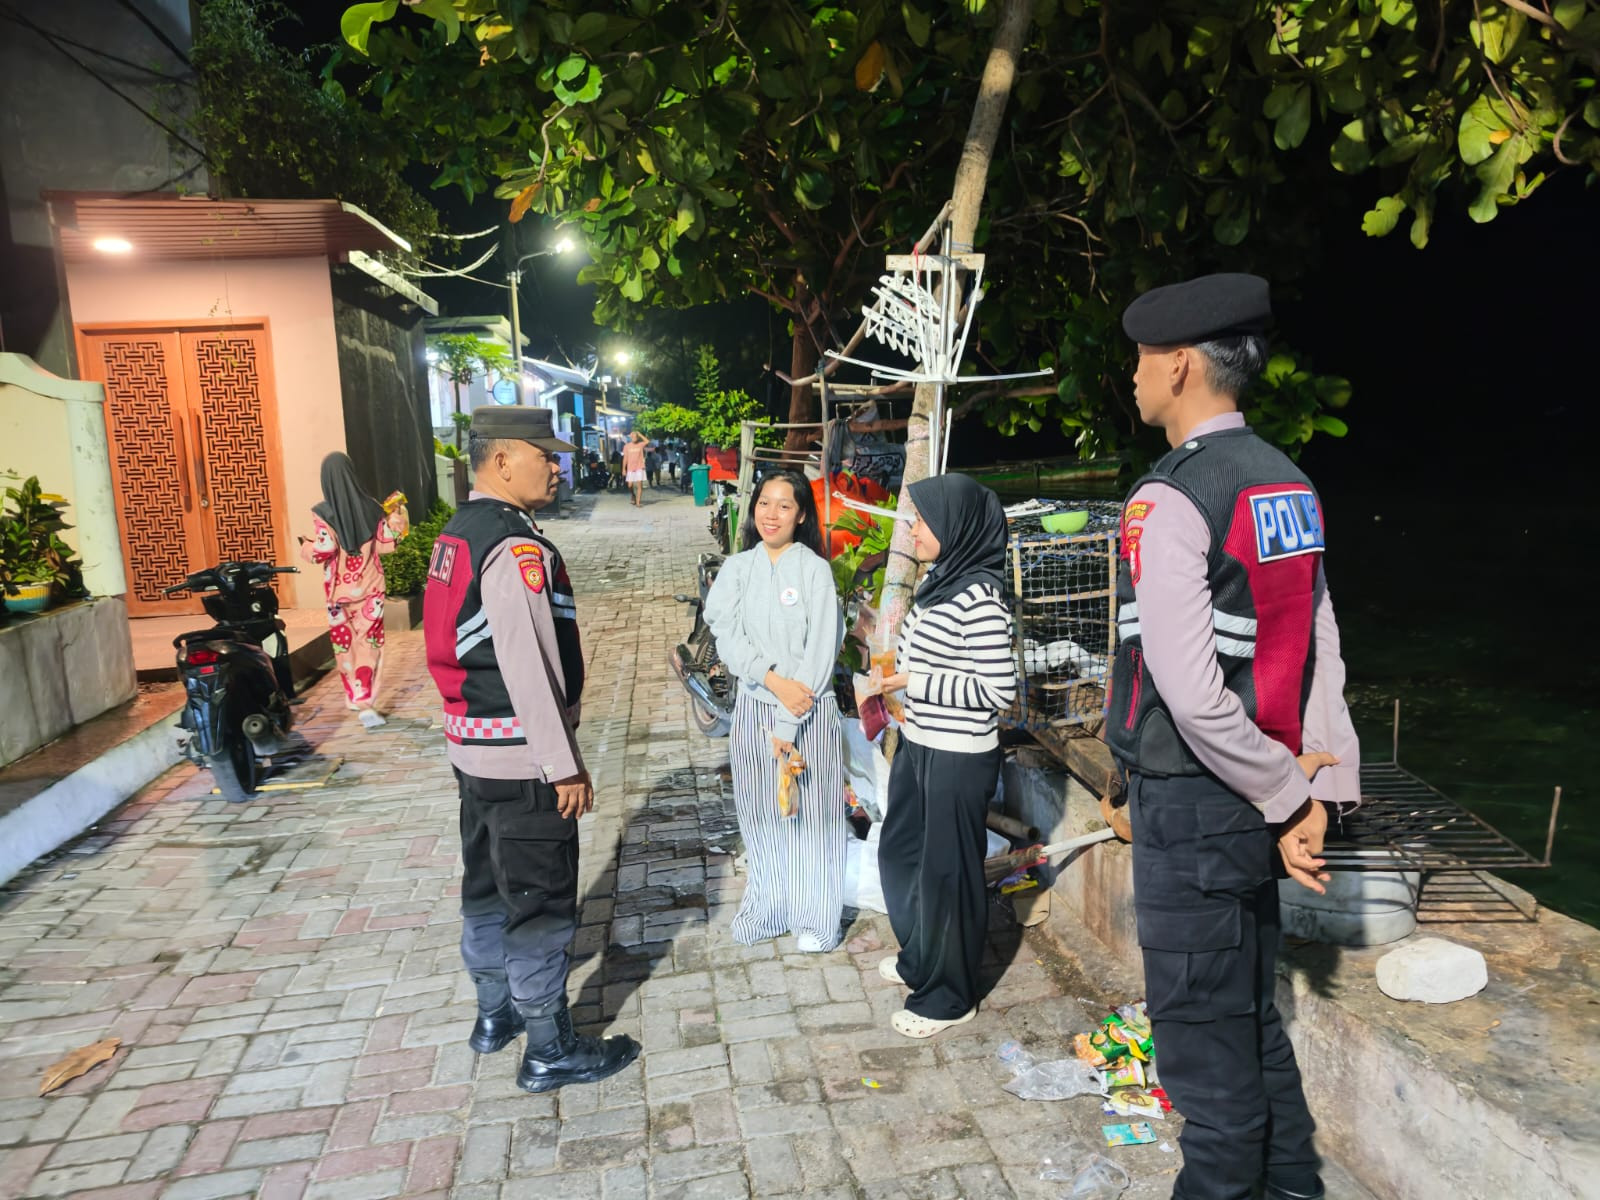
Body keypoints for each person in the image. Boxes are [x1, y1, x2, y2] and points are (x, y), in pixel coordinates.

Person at [1105, 273, 1360, 1200]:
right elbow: (1320, 647)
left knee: (1200, 1052)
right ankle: (1294, 1185)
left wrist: (1289, 797)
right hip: (1262, 795)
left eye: (1140, 358)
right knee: (1249, 1017)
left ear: (1178, 365)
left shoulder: (1170, 498)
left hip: (1199, 803)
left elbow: (1192, 693)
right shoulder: (1287, 481)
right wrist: (1314, 794)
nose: (1132, 375)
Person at [423, 405, 639, 1094]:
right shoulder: (515, 548)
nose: (556, 464)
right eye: (543, 454)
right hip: (522, 760)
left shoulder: (457, 532)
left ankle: (495, 1014)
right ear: (503, 459)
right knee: (540, 901)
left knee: (485, 885)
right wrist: (563, 764)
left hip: (471, 753)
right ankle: (548, 1045)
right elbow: (529, 665)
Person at [869, 474, 1017, 1039]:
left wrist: (916, 680)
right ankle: (921, 959)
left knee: (948, 875)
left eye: (924, 520)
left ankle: (951, 994)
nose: (912, 528)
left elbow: (998, 690)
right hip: (921, 743)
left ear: (957, 527)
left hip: (959, 754)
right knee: (904, 854)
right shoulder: (939, 583)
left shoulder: (979, 597)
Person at [702, 469, 846, 951]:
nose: (772, 513)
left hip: (809, 712)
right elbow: (726, 635)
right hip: (755, 709)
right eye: (765, 502)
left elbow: (822, 649)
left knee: (814, 815)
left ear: (802, 514)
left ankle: (818, 919)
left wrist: (790, 710)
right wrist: (770, 680)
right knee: (761, 812)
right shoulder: (737, 569)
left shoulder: (814, 571)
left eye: (785, 505)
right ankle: (769, 908)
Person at [299, 452, 408, 729]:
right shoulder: (372, 508)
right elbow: (385, 544)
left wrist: (305, 546)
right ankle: (365, 699)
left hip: (339, 596)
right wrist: (396, 519)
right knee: (369, 644)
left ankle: (353, 695)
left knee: (344, 645)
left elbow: (324, 549)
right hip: (371, 590)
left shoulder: (323, 512)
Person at [621, 431, 648, 506]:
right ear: (630, 437)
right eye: (633, 437)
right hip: (630, 468)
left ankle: (638, 502)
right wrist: (623, 469)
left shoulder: (640, 444)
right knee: (629, 485)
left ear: (637, 438)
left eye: (636, 437)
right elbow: (625, 458)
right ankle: (633, 495)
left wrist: (640, 434)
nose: (634, 438)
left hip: (639, 467)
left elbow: (647, 441)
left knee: (639, 485)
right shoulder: (627, 446)